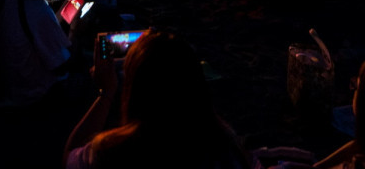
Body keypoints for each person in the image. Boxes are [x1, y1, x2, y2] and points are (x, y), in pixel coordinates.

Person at [65, 29, 250, 169]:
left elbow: (70, 159)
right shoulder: (225, 147)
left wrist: (106, 93)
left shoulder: (110, 151)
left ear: (135, 89)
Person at [0, 0, 71, 103]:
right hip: (36, 92)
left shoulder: (12, 0)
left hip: (15, 85)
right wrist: (75, 32)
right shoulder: (39, 10)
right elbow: (60, 65)